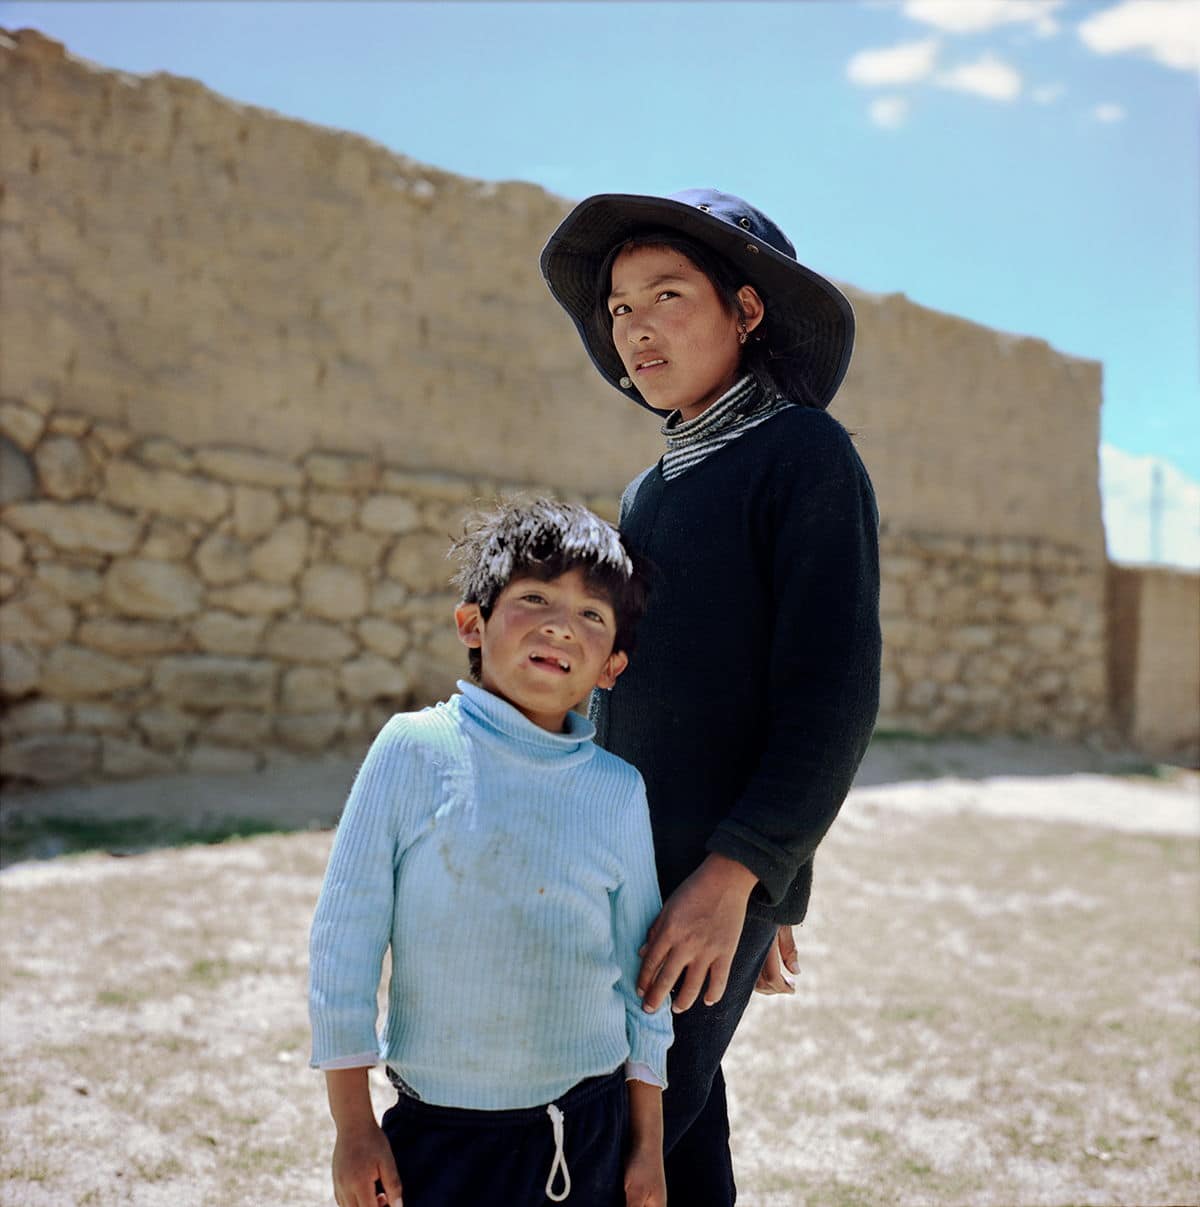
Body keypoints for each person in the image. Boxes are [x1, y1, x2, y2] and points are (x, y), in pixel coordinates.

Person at [540, 188, 882, 1204]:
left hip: (704, 885)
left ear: (747, 310)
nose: (637, 328)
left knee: (623, 1129)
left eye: (667, 296)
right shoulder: (652, 491)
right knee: (674, 1132)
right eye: (618, 309)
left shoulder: (807, 457)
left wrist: (751, 877)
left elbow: (828, 694)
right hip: (626, 868)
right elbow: (644, 694)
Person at [308, 498, 673, 1207]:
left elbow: (643, 980)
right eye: (534, 597)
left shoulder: (617, 791)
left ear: (612, 666)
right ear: (471, 623)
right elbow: (342, 944)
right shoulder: (415, 750)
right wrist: (353, 1127)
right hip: (441, 1138)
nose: (560, 624)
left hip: (583, 1133)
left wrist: (647, 1144)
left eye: (592, 616)